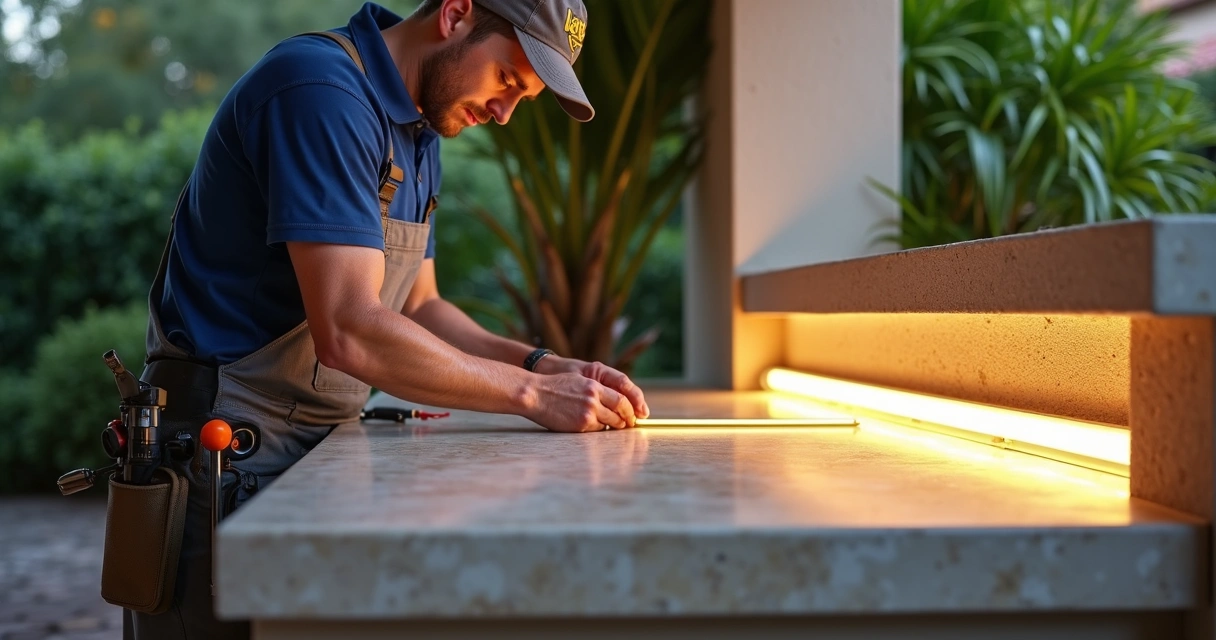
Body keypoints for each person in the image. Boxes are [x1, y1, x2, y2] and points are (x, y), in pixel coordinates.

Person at [124, 0, 648, 638]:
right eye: (508, 79)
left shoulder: (421, 129)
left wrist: (542, 363)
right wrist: (534, 394)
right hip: (227, 448)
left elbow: (420, 306)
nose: (505, 112)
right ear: (455, 15)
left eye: (524, 98)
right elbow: (350, 328)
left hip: (319, 449)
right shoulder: (320, 93)